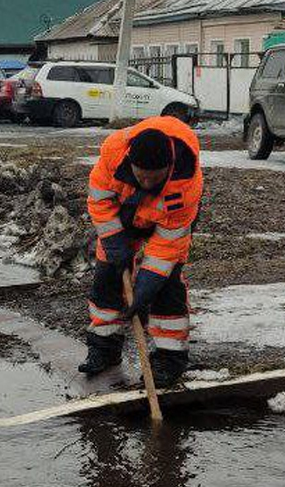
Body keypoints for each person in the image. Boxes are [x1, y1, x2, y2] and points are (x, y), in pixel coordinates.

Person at [79, 117, 202, 388]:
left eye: (153, 177)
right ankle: (104, 349)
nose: (146, 181)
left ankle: (169, 360)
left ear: (167, 168)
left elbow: (167, 246)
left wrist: (147, 285)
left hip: (166, 222)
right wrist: (115, 243)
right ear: (130, 162)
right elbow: (99, 201)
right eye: (140, 175)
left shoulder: (185, 183)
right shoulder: (113, 155)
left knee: (166, 285)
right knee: (107, 275)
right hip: (122, 212)